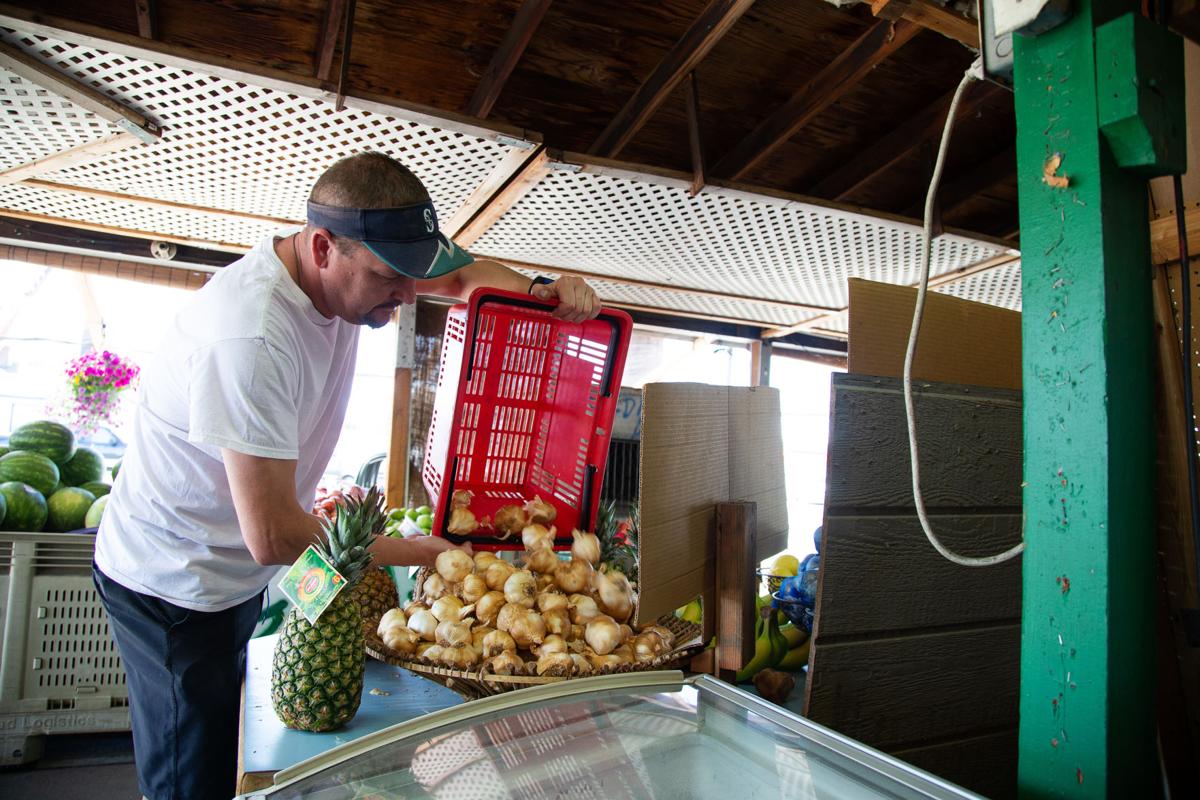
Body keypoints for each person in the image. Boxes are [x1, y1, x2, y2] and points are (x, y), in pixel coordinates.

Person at [92, 151, 600, 800]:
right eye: (393, 277)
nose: (411, 296)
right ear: (324, 247)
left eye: (414, 275)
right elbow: (275, 537)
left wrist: (537, 291)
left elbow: (459, 276)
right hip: (174, 584)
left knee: (284, 705)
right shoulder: (249, 337)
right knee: (192, 771)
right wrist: (425, 556)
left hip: (247, 563)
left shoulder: (339, 280)